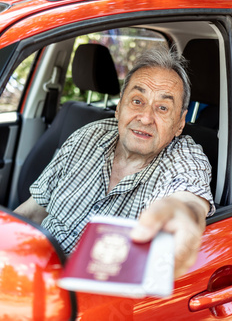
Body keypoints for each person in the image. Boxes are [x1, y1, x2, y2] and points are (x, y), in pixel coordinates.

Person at [15, 47, 215, 278]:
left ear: (180, 124)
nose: (146, 117)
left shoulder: (184, 158)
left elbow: (188, 202)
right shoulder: (87, 136)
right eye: (137, 101)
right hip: (32, 272)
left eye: (162, 108)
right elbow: (32, 212)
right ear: (119, 108)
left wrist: (182, 213)